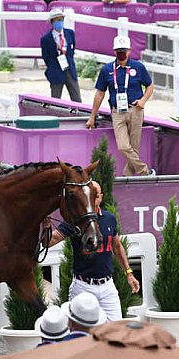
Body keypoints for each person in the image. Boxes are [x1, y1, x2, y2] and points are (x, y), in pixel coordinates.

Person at [47, 181, 140, 321]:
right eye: (91, 196)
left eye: (96, 196)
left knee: (115, 332)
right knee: (81, 334)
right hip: (83, 286)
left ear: (101, 197)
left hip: (107, 286)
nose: (94, 199)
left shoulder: (109, 218)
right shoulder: (75, 220)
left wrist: (129, 273)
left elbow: (117, 246)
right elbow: (50, 241)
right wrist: (46, 226)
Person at [86, 35, 156, 176]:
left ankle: (127, 180)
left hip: (135, 110)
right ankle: (145, 171)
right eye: (118, 50)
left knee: (134, 148)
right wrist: (92, 116)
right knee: (123, 146)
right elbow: (100, 93)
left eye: (124, 50)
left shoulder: (138, 67)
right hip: (117, 112)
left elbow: (150, 86)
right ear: (114, 51)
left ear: (129, 50)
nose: (121, 53)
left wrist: (142, 101)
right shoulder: (107, 70)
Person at [40, 9, 82, 103]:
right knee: (55, 99)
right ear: (52, 22)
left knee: (76, 98)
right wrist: (53, 66)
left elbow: (72, 49)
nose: (59, 22)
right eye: (56, 20)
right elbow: (45, 56)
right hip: (55, 71)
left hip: (69, 69)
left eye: (61, 19)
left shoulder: (70, 33)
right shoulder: (46, 39)